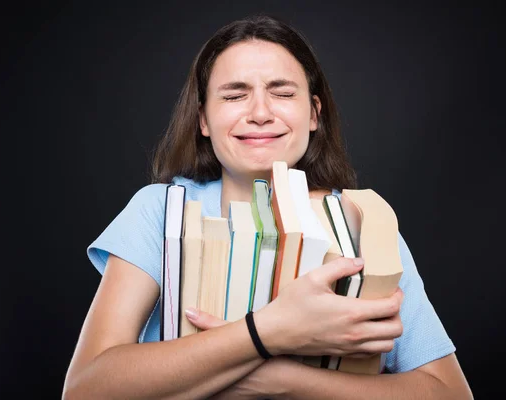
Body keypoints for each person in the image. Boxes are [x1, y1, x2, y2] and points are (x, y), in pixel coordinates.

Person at [62, 15, 472, 399]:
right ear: (203, 119)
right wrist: (270, 332)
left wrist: (276, 378)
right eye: (234, 95)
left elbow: (449, 392)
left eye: (282, 92)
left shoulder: (363, 224)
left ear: (313, 114)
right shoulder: (160, 212)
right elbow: (85, 388)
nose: (260, 113)